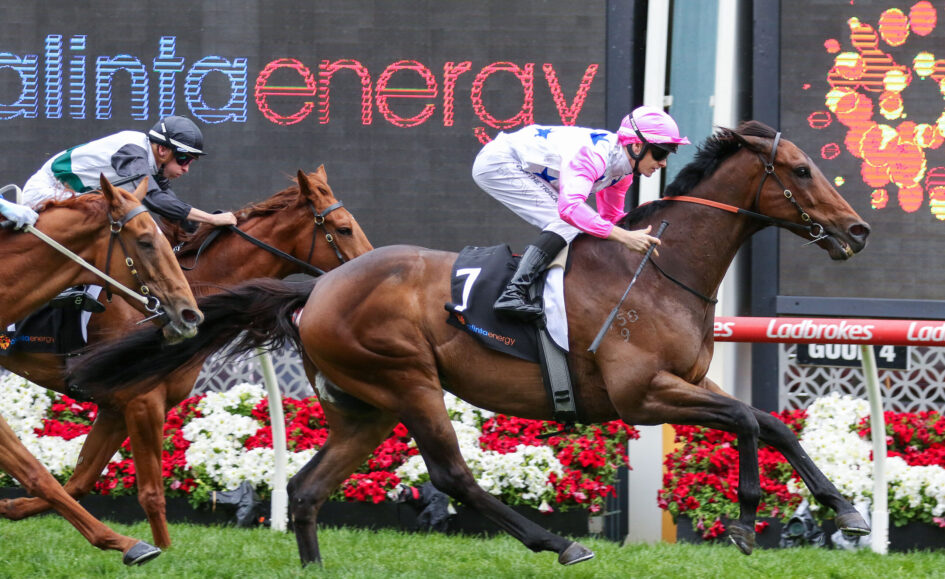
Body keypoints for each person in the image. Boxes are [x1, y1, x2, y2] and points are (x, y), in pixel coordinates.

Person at [472, 105, 690, 319]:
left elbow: (612, 220)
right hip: (500, 162)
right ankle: (513, 293)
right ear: (636, 147)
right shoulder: (594, 156)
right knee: (567, 221)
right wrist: (625, 237)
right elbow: (570, 209)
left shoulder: (623, 173)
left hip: (521, 165)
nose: (663, 163)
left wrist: (642, 237)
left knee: (584, 225)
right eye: (660, 152)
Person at [22, 115, 237, 230]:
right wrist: (211, 218)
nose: (186, 168)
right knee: (137, 229)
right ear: (162, 149)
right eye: (183, 159)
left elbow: (173, 208)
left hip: (75, 201)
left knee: (149, 231)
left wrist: (207, 226)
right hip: (46, 194)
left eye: (191, 161)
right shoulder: (133, 151)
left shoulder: (152, 163)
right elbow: (155, 199)